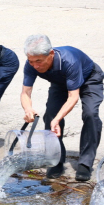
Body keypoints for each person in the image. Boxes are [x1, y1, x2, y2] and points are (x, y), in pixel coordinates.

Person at [21, 35, 103, 181]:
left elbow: (73, 97)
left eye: (39, 61)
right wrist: (28, 109)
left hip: (89, 78)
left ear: (51, 54)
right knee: (50, 115)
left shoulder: (68, 60)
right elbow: (25, 92)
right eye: (31, 61)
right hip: (60, 82)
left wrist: (58, 119)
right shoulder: (31, 63)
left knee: (90, 114)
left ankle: (85, 163)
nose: (35, 66)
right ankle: (56, 160)